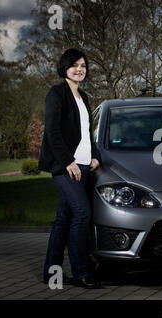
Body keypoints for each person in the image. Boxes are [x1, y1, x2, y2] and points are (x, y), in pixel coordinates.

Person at [38, 48, 102, 288]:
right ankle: (82, 272)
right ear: (65, 67)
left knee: (63, 219)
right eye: (75, 65)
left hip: (85, 166)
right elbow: (52, 132)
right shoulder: (56, 94)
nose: (80, 69)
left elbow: (87, 133)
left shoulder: (84, 97)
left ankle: (51, 272)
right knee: (82, 214)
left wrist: (95, 156)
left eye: (83, 65)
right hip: (65, 167)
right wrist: (68, 162)